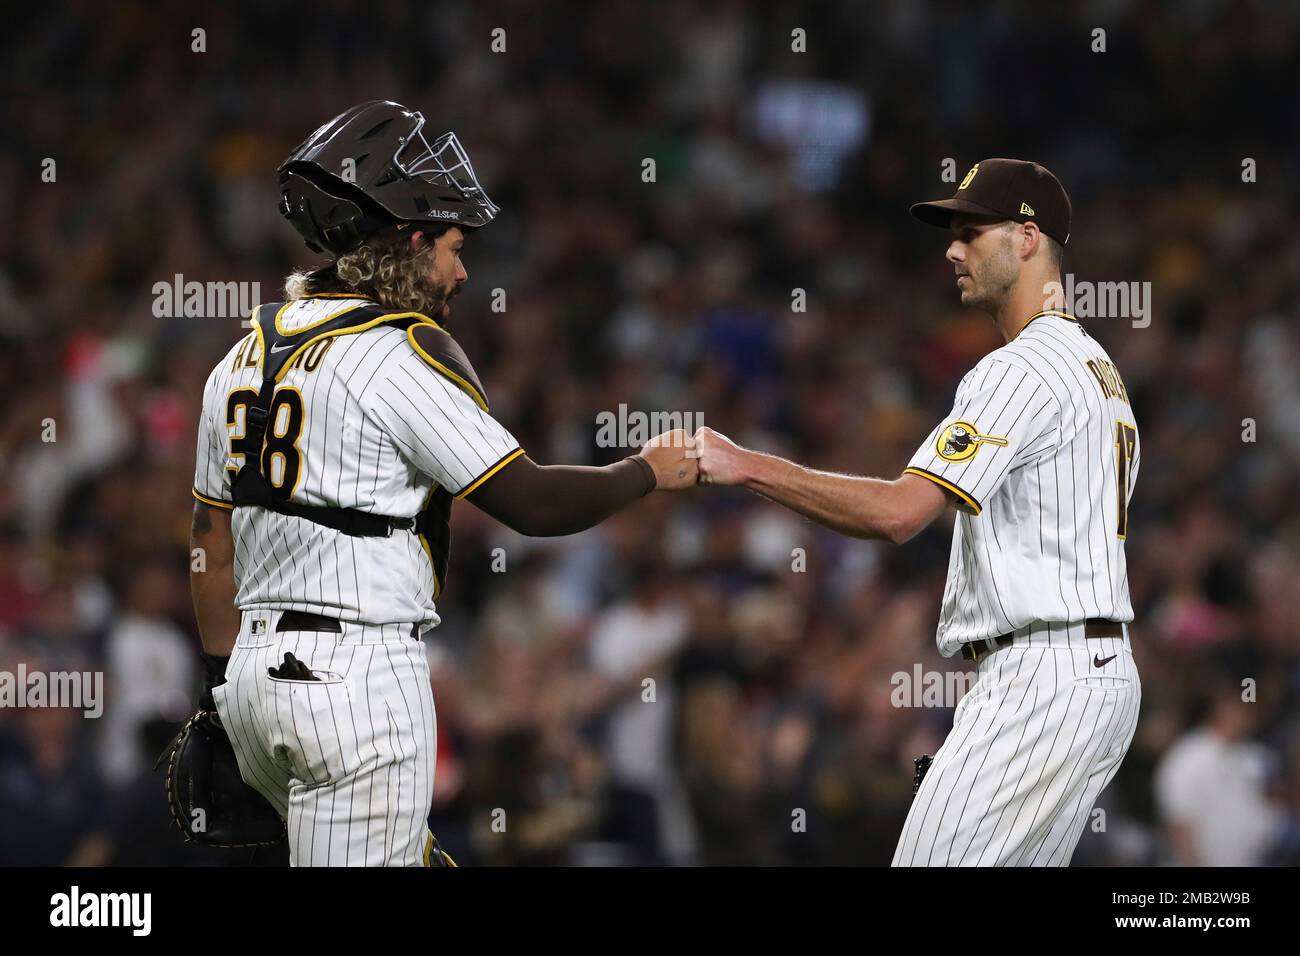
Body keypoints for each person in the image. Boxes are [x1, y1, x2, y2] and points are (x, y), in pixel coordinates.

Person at [188, 100, 696, 866]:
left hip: (251, 681)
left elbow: (208, 545)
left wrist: (226, 682)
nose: (462, 271)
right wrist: (646, 472)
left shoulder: (238, 360)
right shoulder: (397, 352)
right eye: (454, 247)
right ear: (413, 240)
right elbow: (529, 501)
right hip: (358, 676)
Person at [692, 159, 1142, 866]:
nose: (951, 250)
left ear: (1028, 238)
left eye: (971, 232)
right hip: (1095, 673)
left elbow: (900, 513)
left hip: (1042, 679)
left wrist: (746, 464)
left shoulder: (1019, 368)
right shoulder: (1096, 368)